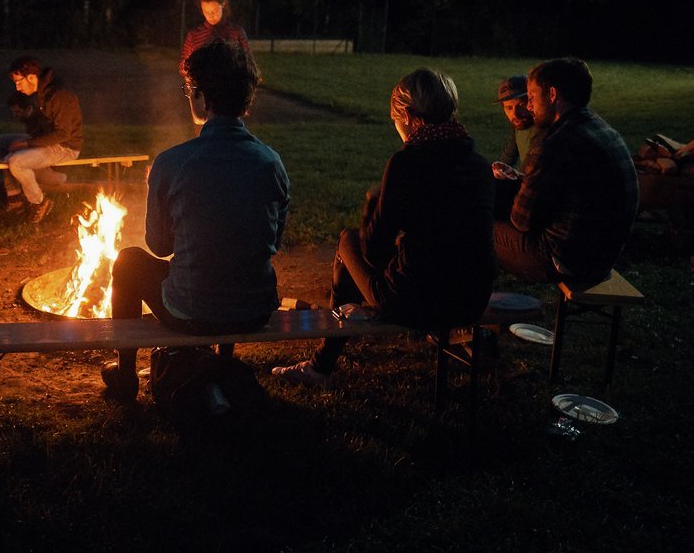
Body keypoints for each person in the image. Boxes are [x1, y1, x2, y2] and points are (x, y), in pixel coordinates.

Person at [273, 68, 496, 385]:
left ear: (406, 114)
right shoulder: (479, 164)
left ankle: (321, 365)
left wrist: (372, 208)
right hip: (471, 299)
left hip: (414, 301)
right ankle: (330, 349)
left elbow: (373, 250)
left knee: (347, 241)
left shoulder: (407, 163)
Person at [100, 39, 289, 400]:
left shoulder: (173, 162)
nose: (188, 96)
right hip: (256, 309)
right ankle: (220, 362)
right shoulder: (272, 162)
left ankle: (125, 377)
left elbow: (159, 246)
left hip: (192, 312)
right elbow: (272, 242)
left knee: (128, 262)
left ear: (201, 96)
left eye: (189, 89)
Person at [493, 57, 639, 283]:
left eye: (531, 98)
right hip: (602, 256)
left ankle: (469, 305)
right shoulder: (598, 127)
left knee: (475, 221)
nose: (529, 107)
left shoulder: (554, 143)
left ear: (552, 95)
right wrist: (522, 180)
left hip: (567, 261)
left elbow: (521, 221)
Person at [3, 56, 83, 223]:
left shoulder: (59, 95)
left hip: (65, 147)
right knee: (4, 142)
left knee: (16, 162)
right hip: (47, 140)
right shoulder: (41, 92)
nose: (17, 87)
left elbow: (63, 134)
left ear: (31, 78)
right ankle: (14, 198)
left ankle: (38, 201)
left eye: (19, 82)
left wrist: (27, 144)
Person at [179, 0, 252, 127]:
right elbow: (183, 64)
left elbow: (248, 62)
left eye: (213, 10)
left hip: (231, 96)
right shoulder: (194, 36)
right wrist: (191, 83)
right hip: (204, 97)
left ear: (223, 5)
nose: (210, 15)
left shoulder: (235, 32)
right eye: (206, 11)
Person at [491, 75, 544, 216]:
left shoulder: (542, 130)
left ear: (531, 102)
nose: (515, 114)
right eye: (509, 107)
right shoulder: (518, 126)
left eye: (521, 105)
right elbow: (507, 157)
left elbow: (527, 170)